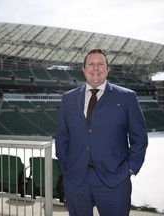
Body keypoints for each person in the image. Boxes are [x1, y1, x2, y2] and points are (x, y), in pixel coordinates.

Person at [55, 49, 148, 216]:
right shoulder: (68, 98)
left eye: (100, 64)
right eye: (91, 64)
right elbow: (62, 137)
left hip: (115, 179)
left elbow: (139, 137)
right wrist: (65, 166)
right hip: (76, 179)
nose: (95, 68)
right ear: (83, 69)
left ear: (108, 69)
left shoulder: (127, 97)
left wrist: (130, 169)